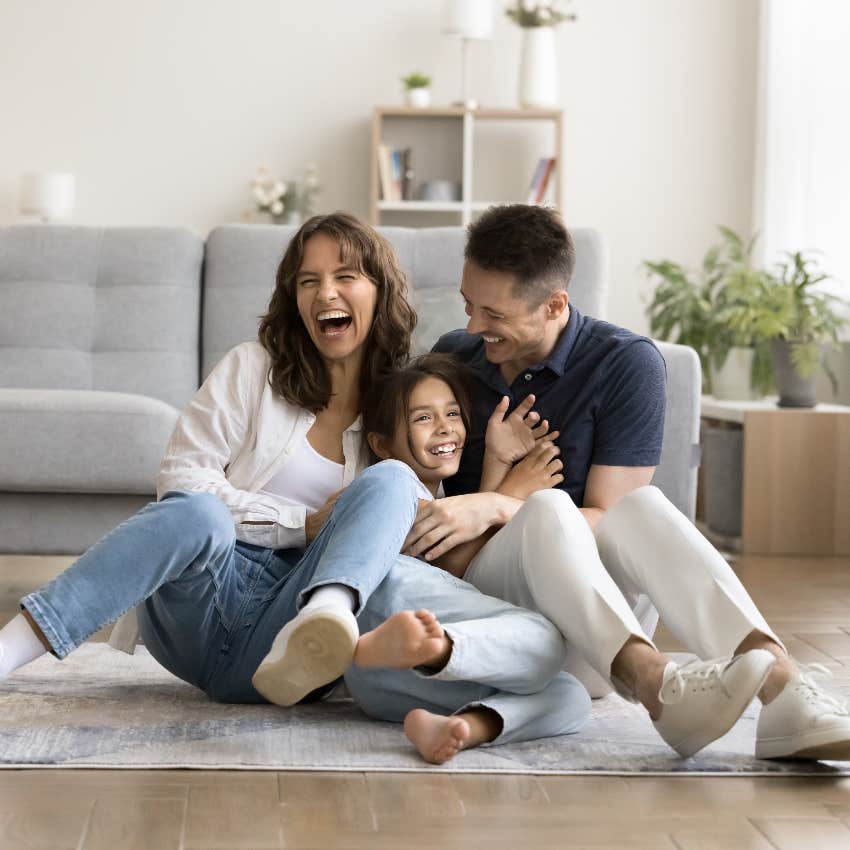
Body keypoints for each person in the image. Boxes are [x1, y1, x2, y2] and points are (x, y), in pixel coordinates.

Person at [0, 212, 584, 758]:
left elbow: (423, 522)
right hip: (209, 599)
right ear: (294, 298)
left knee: (395, 482)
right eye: (309, 281)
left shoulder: (397, 408)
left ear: (378, 291)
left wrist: (497, 493)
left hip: (289, 636)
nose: (325, 292)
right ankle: (7, 654)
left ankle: (329, 620)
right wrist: (301, 524)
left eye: (345, 276)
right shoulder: (251, 368)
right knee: (196, 513)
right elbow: (181, 479)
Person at [385, 202, 850, 761]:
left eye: (494, 314)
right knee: (551, 509)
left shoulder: (625, 364)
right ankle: (656, 684)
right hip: (495, 626)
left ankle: (784, 692)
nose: (472, 327)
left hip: (593, 637)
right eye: (468, 304)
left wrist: (492, 504)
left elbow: (608, 517)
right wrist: (509, 500)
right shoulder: (457, 357)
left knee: (641, 507)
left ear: (555, 304)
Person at [343, 353, 778, 761]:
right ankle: (656, 681)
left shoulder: (444, 493)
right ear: (381, 444)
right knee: (545, 600)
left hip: (476, 669)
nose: (444, 427)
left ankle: (468, 725)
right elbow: (450, 571)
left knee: (570, 695)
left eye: (453, 414)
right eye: (423, 418)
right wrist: (508, 494)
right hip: (413, 657)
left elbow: (468, 554)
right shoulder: (392, 489)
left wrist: (495, 481)